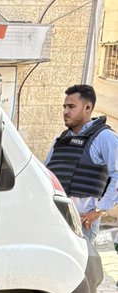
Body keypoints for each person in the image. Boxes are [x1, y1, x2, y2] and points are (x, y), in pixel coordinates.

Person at [45, 84, 118, 249]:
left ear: (87, 107)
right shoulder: (60, 139)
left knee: (82, 271)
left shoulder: (104, 137)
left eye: (71, 107)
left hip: (83, 222)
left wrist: (99, 211)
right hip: (56, 220)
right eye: (64, 107)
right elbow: (46, 173)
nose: (65, 111)